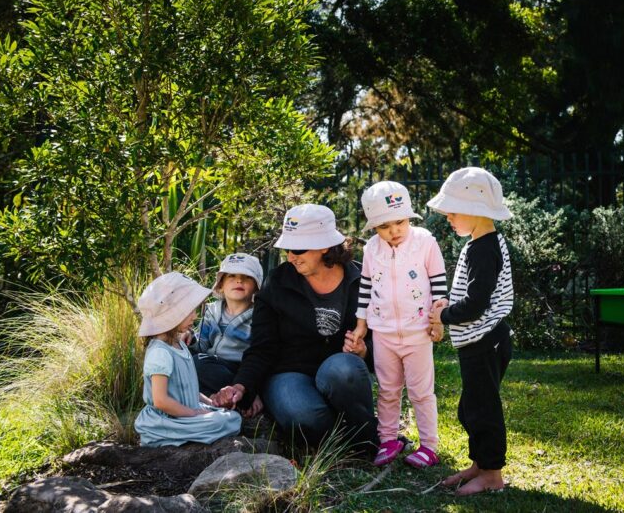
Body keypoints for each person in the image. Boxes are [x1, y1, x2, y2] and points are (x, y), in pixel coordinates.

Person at [212, 204, 378, 455]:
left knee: (343, 369)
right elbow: (262, 347)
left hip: (340, 370)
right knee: (300, 413)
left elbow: (385, 342)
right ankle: (340, 440)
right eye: (287, 248)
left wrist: (365, 351)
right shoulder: (277, 283)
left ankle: (365, 440)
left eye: (298, 248)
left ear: (325, 246)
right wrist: (242, 386)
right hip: (289, 373)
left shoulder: (362, 281)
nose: (291, 256)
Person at [427, 167, 513, 495]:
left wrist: (445, 314)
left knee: (483, 408)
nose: (447, 216)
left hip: (485, 340)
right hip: (478, 340)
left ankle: (492, 474)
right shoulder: (479, 244)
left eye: (452, 209)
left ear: (475, 210)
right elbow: (472, 294)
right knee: (471, 408)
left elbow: (476, 304)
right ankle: (480, 463)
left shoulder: (484, 248)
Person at [351, 180, 448, 468]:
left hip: (418, 331)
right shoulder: (371, 249)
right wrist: (361, 325)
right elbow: (365, 288)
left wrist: (439, 319)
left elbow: (439, 284)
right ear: (374, 227)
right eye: (384, 226)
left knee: (421, 391)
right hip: (383, 332)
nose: (394, 231)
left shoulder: (425, 241)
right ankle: (388, 439)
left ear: (409, 218)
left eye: (400, 222)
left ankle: (429, 445)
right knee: (388, 389)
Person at [134, 272, 242, 447]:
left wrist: (210, 402)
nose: (194, 316)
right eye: (190, 310)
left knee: (231, 417)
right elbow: (161, 401)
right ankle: (165, 437)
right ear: (172, 313)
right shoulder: (160, 353)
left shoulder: (180, 344)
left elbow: (186, 388)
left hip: (186, 410)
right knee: (224, 422)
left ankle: (193, 430)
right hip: (168, 419)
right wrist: (194, 413)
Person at [189, 253, 262, 398]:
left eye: (247, 277)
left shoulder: (259, 316)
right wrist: (191, 339)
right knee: (185, 358)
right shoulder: (212, 311)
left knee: (198, 364)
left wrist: (250, 387)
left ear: (256, 286)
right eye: (231, 276)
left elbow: (260, 356)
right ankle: (217, 398)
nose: (239, 280)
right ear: (220, 285)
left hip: (241, 373)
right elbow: (202, 346)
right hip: (212, 364)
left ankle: (245, 395)